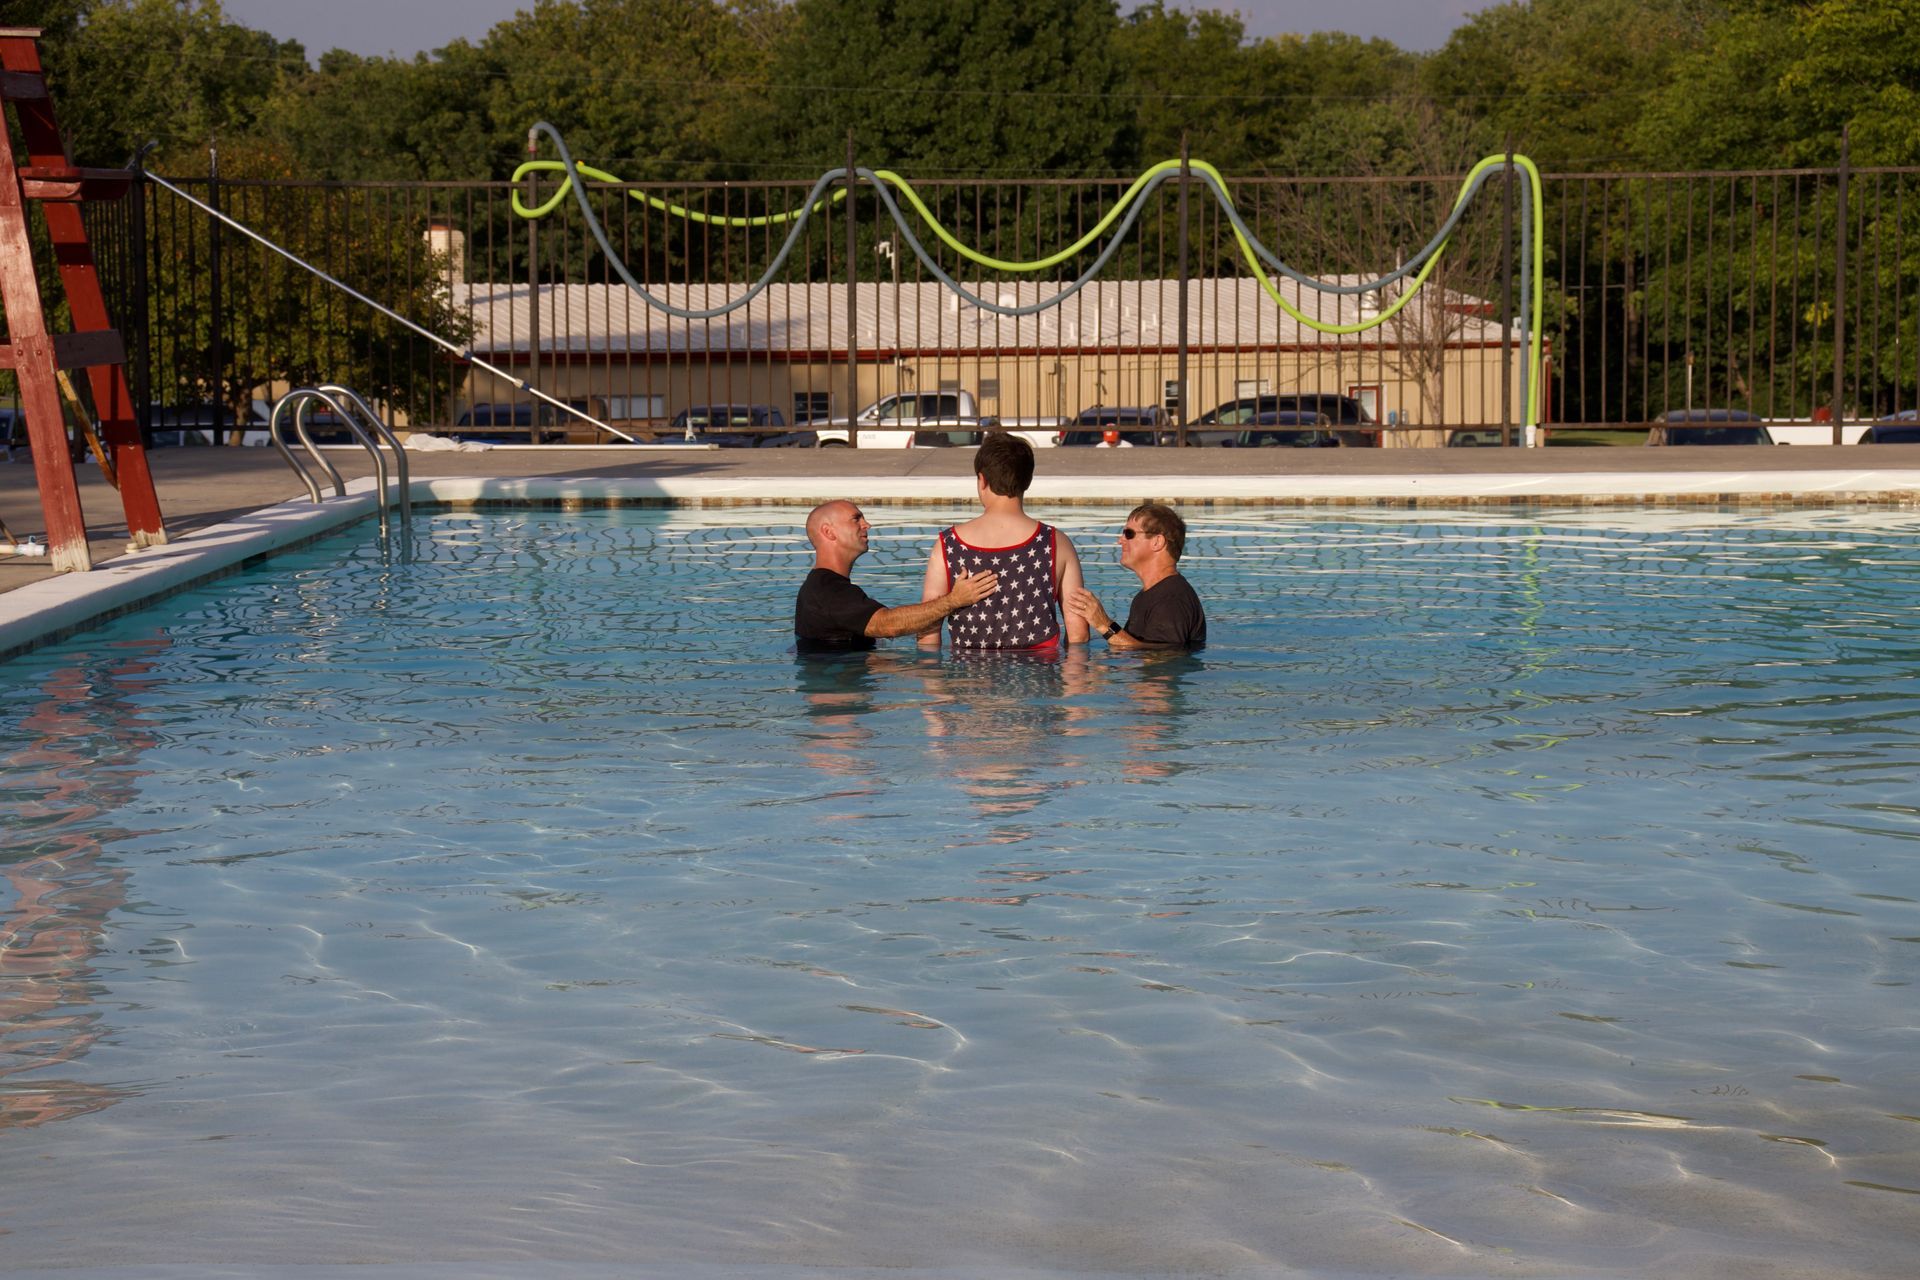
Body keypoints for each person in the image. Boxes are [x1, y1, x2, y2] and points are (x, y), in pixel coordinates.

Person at [919, 432, 1088, 652]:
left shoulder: (947, 545)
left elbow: (927, 634)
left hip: (968, 680)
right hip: (1037, 678)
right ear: (1027, 480)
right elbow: (1078, 634)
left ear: (982, 480)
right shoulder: (1056, 543)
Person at [795, 500, 997, 654]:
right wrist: (955, 600)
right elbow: (888, 624)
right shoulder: (828, 591)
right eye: (856, 519)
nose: (867, 524)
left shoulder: (824, 587)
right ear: (828, 532)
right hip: (841, 696)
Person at [1065, 502, 1206, 649]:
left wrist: (1104, 624)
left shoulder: (1171, 601)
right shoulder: (1150, 594)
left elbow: (1164, 661)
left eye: (1129, 534)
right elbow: (1137, 652)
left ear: (1157, 542)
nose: (1120, 540)